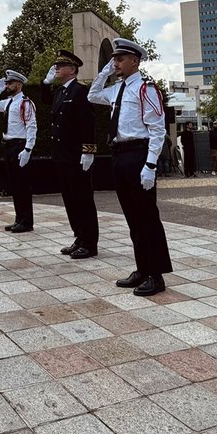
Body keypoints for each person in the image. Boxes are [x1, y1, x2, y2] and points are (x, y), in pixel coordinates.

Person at [88, 38, 171, 296]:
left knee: (147, 217)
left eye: (120, 59)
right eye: (114, 59)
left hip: (138, 155)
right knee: (133, 218)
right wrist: (105, 72)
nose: (115, 63)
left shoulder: (146, 89)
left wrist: (150, 165)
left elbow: (157, 129)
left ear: (134, 61)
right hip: (119, 155)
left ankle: (156, 275)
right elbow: (92, 95)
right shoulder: (116, 89)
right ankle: (142, 269)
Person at [40, 51, 99, 258]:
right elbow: (45, 99)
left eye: (60, 65)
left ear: (72, 69)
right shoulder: (60, 92)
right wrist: (45, 83)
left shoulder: (80, 91)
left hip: (76, 156)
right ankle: (79, 237)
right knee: (70, 200)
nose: (56, 68)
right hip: (62, 155)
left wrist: (88, 151)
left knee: (83, 200)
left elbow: (87, 123)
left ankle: (90, 243)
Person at [0, 69, 37, 232]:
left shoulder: (25, 103)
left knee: (23, 185)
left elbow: (32, 126)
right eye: (6, 83)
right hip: (9, 146)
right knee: (15, 185)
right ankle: (19, 219)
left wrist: (28, 149)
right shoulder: (9, 102)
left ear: (19, 84)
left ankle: (27, 222)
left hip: (20, 146)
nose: (7, 86)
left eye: (10, 83)